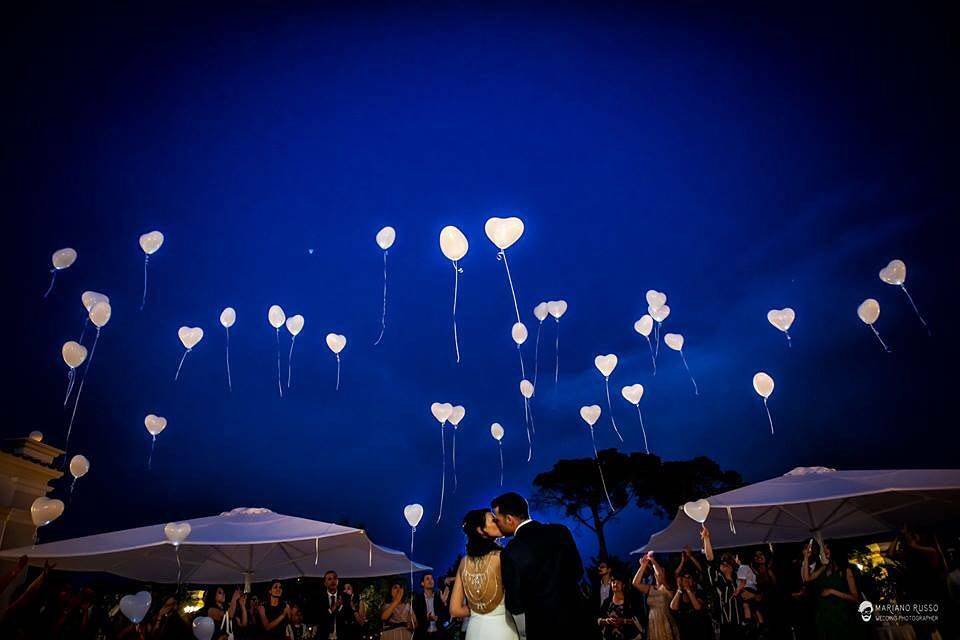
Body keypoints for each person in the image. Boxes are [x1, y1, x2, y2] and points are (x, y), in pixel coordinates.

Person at [492, 492, 588, 639]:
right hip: (580, 621)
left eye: (497, 520)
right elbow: (578, 571)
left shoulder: (511, 551)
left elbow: (515, 604)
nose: (496, 524)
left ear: (509, 519)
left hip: (544, 628)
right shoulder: (560, 531)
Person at [449, 509, 518, 640]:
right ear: (481, 530)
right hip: (502, 630)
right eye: (493, 520)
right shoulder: (502, 557)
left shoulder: (464, 562)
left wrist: (477, 611)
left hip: (474, 631)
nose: (498, 521)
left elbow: (455, 609)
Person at [800, 541, 862, 640]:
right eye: (823, 549)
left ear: (834, 550)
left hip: (839, 615)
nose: (824, 551)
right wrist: (806, 557)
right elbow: (807, 579)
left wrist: (832, 591)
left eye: (827, 548)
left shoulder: (845, 571)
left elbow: (855, 598)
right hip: (823, 615)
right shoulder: (823, 568)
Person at [702, 524, 745, 640]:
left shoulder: (737, 578)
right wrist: (706, 539)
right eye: (722, 563)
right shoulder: (718, 578)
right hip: (727, 622)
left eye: (727, 562)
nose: (723, 564)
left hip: (740, 621)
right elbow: (710, 558)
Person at [631, 551, 678, 640]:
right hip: (652, 622)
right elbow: (635, 583)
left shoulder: (668, 587)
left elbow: (660, 574)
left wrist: (651, 559)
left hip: (665, 621)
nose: (659, 571)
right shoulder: (650, 588)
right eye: (658, 569)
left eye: (662, 570)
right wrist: (643, 565)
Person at [317, 570, 359, 640]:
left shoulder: (346, 597)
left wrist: (340, 607)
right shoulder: (319, 598)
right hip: (324, 636)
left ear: (338, 581)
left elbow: (350, 618)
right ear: (325, 583)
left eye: (335, 578)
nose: (333, 581)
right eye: (329, 579)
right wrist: (332, 608)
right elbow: (319, 619)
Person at [669, 570, 711, 640]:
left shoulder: (699, 593)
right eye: (683, 578)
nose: (686, 580)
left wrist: (688, 589)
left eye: (688, 577)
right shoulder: (678, 595)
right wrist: (679, 589)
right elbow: (673, 608)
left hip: (701, 631)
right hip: (685, 633)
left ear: (694, 581)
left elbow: (698, 607)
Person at [597, 573, 640, 640]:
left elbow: (638, 620)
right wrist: (606, 621)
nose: (615, 584)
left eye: (618, 582)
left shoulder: (630, 601)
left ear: (623, 585)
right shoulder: (607, 602)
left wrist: (623, 621)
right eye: (613, 582)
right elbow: (598, 619)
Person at [412, 573, 449, 639]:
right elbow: (416, 617)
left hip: (439, 634)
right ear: (422, 583)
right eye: (427, 579)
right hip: (423, 635)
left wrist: (444, 602)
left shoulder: (439, 596)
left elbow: (447, 616)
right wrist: (426, 617)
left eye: (432, 579)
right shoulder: (417, 599)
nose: (430, 581)